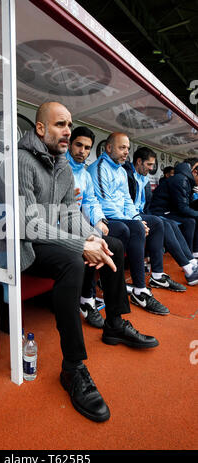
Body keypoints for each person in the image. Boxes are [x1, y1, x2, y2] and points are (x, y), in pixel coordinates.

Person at [0, 103, 159, 423]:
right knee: (73, 262)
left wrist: (94, 237)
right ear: (40, 129)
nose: (67, 131)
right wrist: (81, 245)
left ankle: (115, 323)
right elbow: (26, 225)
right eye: (60, 125)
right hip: (13, 245)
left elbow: (69, 213)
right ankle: (73, 368)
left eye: (69, 125)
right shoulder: (20, 161)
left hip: (42, 238)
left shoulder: (63, 164)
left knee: (115, 245)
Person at [87, 132, 186, 316]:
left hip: (123, 216)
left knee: (155, 222)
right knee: (134, 227)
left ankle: (156, 275)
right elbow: (105, 205)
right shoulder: (99, 167)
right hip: (107, 218)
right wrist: (135, 222)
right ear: (109, 148)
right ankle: (140, 290)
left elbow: (127, 201)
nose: (126, 152)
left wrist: (137, 219)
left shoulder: (122, 171)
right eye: (121, 147)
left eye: (127, 148)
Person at [66, 126, 139, 325]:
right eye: (78, 145)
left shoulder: (84, 173)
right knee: (94, 242)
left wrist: (99, 220)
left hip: (77, 224)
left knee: (108, 242)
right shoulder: (60, 167)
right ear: (70, 144)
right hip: (59, 228)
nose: (83, 151)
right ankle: (86, 299)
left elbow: (91, 202)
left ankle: (116, 319)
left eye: (87, 148)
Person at [124, 147, 198, 286]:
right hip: (129, 215)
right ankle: (187, 269)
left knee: (168, 223)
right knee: (161, 222)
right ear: (139, 161)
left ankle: (190, 262)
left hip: (144, 213)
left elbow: (145, 204)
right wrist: (138, 218)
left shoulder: (143, 178)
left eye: (153, 165)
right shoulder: (127, 175)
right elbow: (125, 203)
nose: (151, 168)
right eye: (149, 164)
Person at [150, 157, 198, 258]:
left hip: (170, 211)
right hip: (160, 212)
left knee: (192, 219)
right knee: (190, 221)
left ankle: (193, 252)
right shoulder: (181, 179)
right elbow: (182, 207)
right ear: (194, 171)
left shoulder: (186, 179)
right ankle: (188, 256)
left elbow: (185, 204)